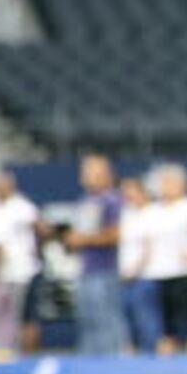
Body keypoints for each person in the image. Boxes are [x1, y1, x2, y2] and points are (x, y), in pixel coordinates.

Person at [141, 163, 187, 357]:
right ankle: (167, 370)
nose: (168, 187)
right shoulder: (151, 211)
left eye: (172, 182)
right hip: (159, 273)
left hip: (185, 274)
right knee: (165, 328)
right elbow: (147, 244)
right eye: (164, 182)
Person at [66, 151, 127, 355]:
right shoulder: (85, 200)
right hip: (86, 269)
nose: (83, 175)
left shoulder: (113, 200)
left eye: (89, 170)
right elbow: (77, 235)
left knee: (106, 319)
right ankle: (91, 366)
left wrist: (84, 239)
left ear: (104, 173)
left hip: (106, 270)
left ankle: (112, 364)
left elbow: (116, 234)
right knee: (88, 320)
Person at [0, 166, 43, 354]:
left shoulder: (22, 206)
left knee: (21, 318)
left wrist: (34, 253)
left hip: (22, 271)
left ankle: (18, 357)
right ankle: (1, 354)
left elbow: (41, 229)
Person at [117, 174, 163, 355]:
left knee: (147, 322)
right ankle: (131, 363)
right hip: (123, 278)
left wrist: (135, 270)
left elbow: (149, 246)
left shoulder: (153, 212)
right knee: (127, 324)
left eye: (131, 191)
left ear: (143, 193)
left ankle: (150, 362)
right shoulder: (126, 214)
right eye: (124, 192)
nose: (127, 195)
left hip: (144, 277)